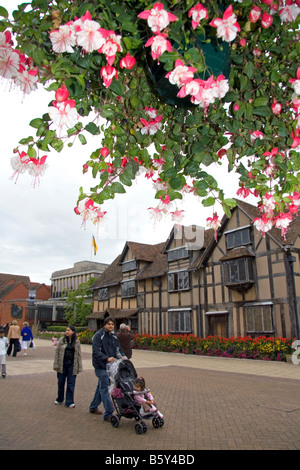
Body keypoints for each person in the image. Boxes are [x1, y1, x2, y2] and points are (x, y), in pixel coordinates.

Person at [89, 316, 125, 421]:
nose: (111, 326)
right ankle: (109, 412)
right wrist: (106, 358)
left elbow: (119, 349)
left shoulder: (114, 336)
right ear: (105, 325)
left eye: (112, 324)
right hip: (100, 366)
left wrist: (123, 357)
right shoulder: (98, 336)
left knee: (101, 386)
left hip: (111, 367)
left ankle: (93, 407)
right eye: (109, 324)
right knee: (104, 386)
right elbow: (96, 351)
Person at [53, 325, 82, 408]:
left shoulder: (76, 341)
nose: (67, 332)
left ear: (73, 332)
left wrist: (79, 366)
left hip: (72, 364)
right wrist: (56, 364)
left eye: (69, 330)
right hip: (62, 364)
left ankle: (69, 401)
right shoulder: (62, 340)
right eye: (66, 330)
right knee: (61, 382)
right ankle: (59, 398)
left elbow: (79, 354)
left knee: (71, 383)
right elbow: (57, 352)